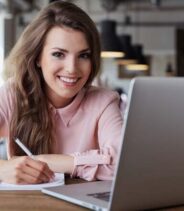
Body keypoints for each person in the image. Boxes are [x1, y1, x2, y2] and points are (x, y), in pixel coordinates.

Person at [0, 1, 123, 184]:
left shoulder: (104, 101)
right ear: (37, 58)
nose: (72, 69)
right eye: (58, 54)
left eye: (83, 55)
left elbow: (122, 165)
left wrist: (47, 161)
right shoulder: (12, 94)